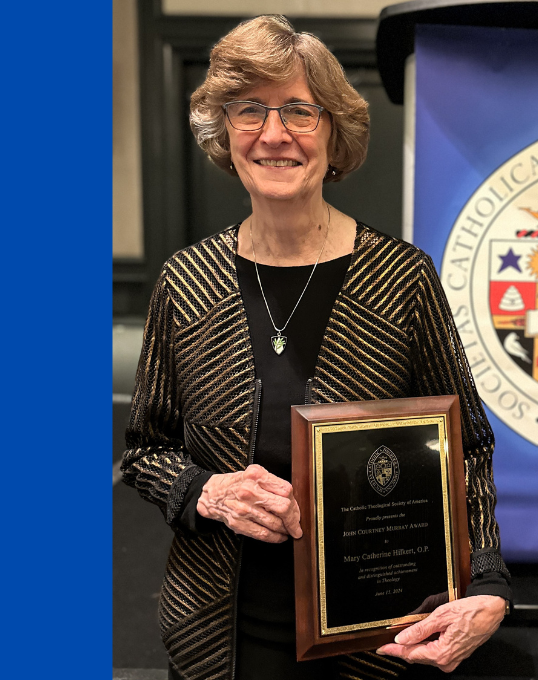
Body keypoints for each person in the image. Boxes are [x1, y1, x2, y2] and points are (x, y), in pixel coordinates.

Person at [121, 15, 511, 680]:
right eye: (250, 110)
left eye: (299, 110)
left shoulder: (402, 278)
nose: (274, 134)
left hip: (373, 641)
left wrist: (488, 582)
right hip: (218, 638)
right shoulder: (184, 282)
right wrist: (203, 491)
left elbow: (466, 445)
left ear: (334, 132)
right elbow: (145, 449)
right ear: (226, 132)